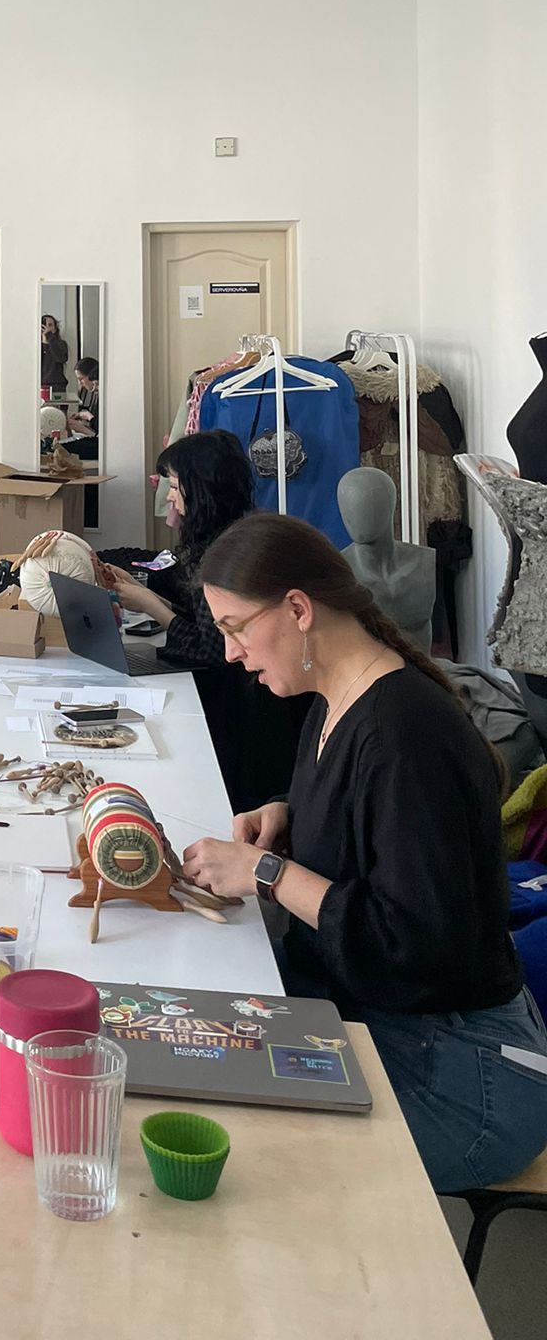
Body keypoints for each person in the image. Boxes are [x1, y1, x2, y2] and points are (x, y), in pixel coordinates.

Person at [181, 511, 547, 1193]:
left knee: (237, 1160)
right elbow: (374, 825)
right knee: (183, 1048)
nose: (230, 653)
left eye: (236, 628)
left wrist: (267, 872)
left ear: (298, 610)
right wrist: (290, 815)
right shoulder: (336, 697)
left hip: (467, 1077)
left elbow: (412, 943)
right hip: (392, 1020)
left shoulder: (406, 734)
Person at [105, 430, 309, 811]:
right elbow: (203, 618)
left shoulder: (222, 557)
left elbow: (212, 648)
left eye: (174, 486)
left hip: (248, 720)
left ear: (199, 491)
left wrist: (150, 605)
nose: (169, 496)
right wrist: (147, 591)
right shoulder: (229, 537)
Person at [40, 313, 70, 395]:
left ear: (55, 328)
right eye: (44, 325)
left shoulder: (61, 344)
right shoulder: (35, 347)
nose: (47, 328)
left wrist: (50, 338)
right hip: (39, 385)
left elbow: (61, 359)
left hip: (57, 386)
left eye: (50, 325)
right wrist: (44, 343)